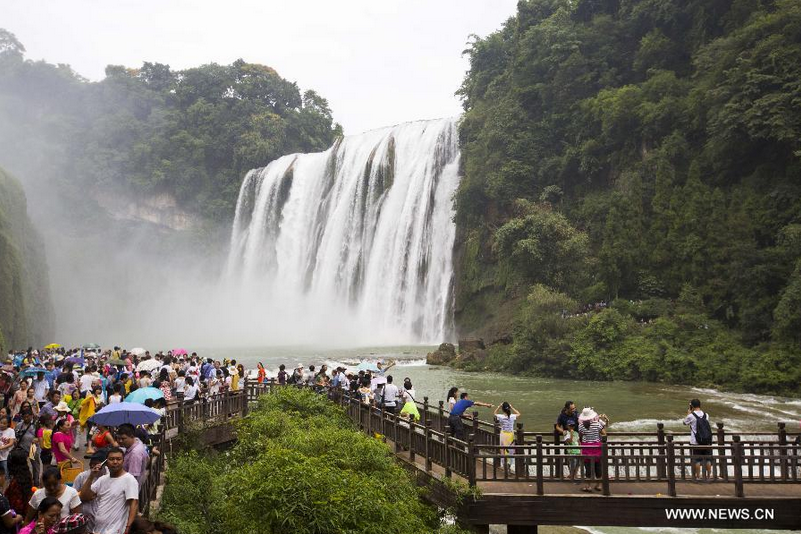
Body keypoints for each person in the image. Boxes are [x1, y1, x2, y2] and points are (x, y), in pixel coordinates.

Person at [79, 447, 139, 534]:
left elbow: (134, 504)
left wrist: (128, 527)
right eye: (111, 459)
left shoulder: (129, 479)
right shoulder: (102, 480)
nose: (115, 462)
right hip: (98, 529)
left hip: (116, 530)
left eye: (118, 459)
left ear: (123, 461)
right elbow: (84, 496)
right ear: (106, 462)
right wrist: (91, 476)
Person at [72, 452, 107, 532]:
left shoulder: (108, 477)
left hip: (102, 518)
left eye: (95, 463)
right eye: (91, 463)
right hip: (85, 517)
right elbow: (73, 496)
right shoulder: (82, 476)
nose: (92, 466)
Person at [683, 398, 713, 480]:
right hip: (706, 440)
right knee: (707, 459)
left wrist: (689, 413)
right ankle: (708, 476)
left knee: (697, 460)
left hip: (695, 441)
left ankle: (698, 476)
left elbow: (684, 423)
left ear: (691, 406)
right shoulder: (706, 415)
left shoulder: (691, 416)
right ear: (700, 405)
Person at [578, 407, 605, 492]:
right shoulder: (597, 424)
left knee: (588, 467)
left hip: (586, 447)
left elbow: (581, 436)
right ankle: (599, 485)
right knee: (598, 466)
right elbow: (604, 433)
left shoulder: (581, 426)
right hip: (597, 447)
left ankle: (588, 486)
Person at [5, 449, 33, 516]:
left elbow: (16, 505)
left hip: (17, 517)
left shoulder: (15, 482)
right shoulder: (27, 475)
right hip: (25, 513)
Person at [0, 467, 24, 533]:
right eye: (4, 476)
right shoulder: (2, 500)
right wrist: (19, 518)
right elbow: (9, 523)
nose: (5, 479)